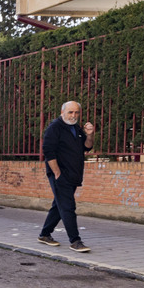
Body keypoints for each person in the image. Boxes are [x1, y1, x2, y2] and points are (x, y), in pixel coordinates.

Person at [38, 100, 95, 253]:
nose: (73, 115)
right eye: (70, 112)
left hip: (73, 174)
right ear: (62, 112)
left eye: (76, 112)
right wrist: (56, 172)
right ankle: (75, 241)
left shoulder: (76, 128)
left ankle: (44, 234)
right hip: (60, 174)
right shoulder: (55, 127)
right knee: (68, 207)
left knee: (59, 206)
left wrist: (89, 135)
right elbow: (48, 151)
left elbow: (87, 147)